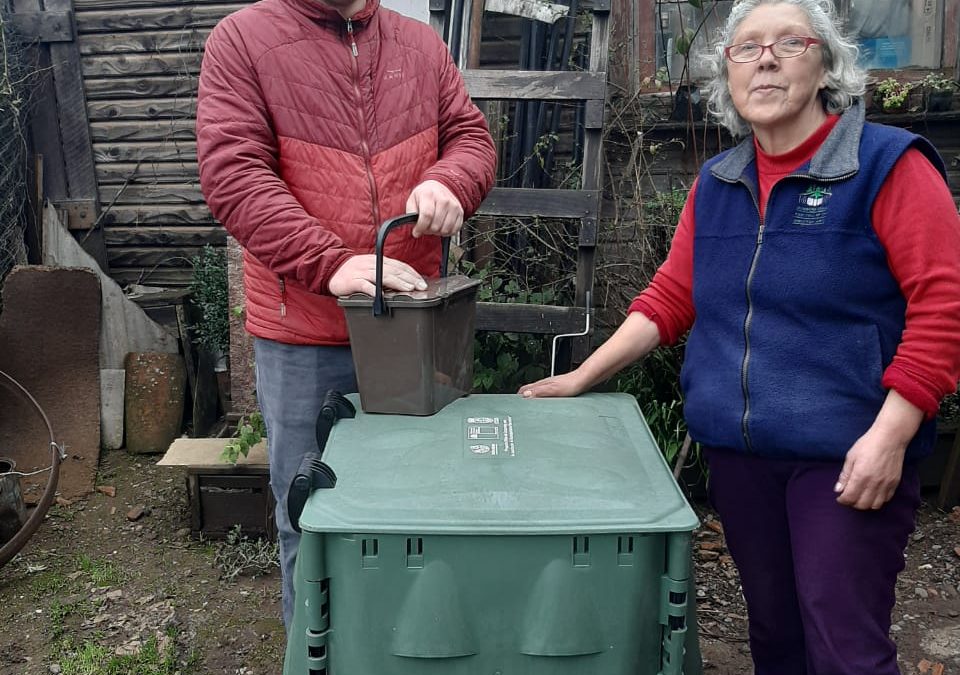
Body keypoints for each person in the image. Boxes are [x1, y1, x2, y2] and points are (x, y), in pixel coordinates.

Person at [519, 0, 960, 672]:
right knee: (775, 638)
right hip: (741, 456)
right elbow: (671, 297)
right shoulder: (718, 182)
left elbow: (944, 306)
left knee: (843, 645)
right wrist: (582, 376)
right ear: (727, 74)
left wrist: (890, 435)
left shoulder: (887, 166)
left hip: (845, 457)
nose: (766, 58)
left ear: (826, 64)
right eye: (746, 47)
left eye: (790, 42)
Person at [195, 0, 496, 629]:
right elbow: (234, 175)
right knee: (315, 514)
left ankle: (406, 649)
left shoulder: (420, 45)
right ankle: (319, 654)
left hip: (412, 328)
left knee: (417, 507)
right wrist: (329, 263)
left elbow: (470, 137)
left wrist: (452, 180)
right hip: (304, 333)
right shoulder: (244, 40)